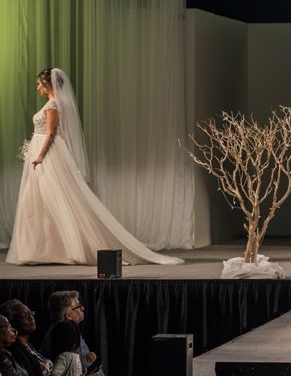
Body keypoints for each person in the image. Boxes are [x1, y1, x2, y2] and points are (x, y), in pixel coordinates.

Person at [5, 68, 183, 266]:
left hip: (48, 157)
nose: (37, 87)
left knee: (52, 201)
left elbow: (52, 133)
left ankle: (56, 250)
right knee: (40, 203)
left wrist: (40, 156)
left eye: (39, 83)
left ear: (48, 85)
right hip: (45, 155)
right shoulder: (55, 103)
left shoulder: (53, 104)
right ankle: (44, 250)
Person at [39, 293, 101, 376]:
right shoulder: (64, 337)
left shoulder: (71, 330)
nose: (83, 308)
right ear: (68, 315)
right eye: (78, 306)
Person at [0, 301, 51, 376]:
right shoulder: (14, 351)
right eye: (24, 316)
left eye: (31, 314)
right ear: (11, 322)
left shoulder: (29, 344)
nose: (31, 318)